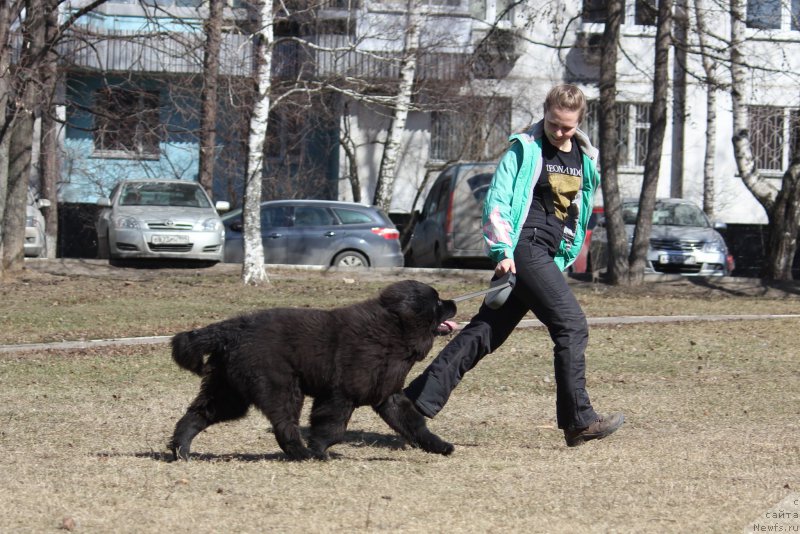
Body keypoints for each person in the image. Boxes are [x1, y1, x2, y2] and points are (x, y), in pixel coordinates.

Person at [403, 84, 623, 447]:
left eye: (568, 127)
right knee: (572, 326)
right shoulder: (525, 150)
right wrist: (502, 250)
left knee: (484, 332)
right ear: (545, 113)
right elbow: (498, 200)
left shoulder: (584, 159)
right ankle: (579, 419)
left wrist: (566, 250)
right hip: (523, 249)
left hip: (547, 254)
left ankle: (412, 404)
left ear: (580, 123)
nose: (559, 132)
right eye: (554, 123)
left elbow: (575, 209)